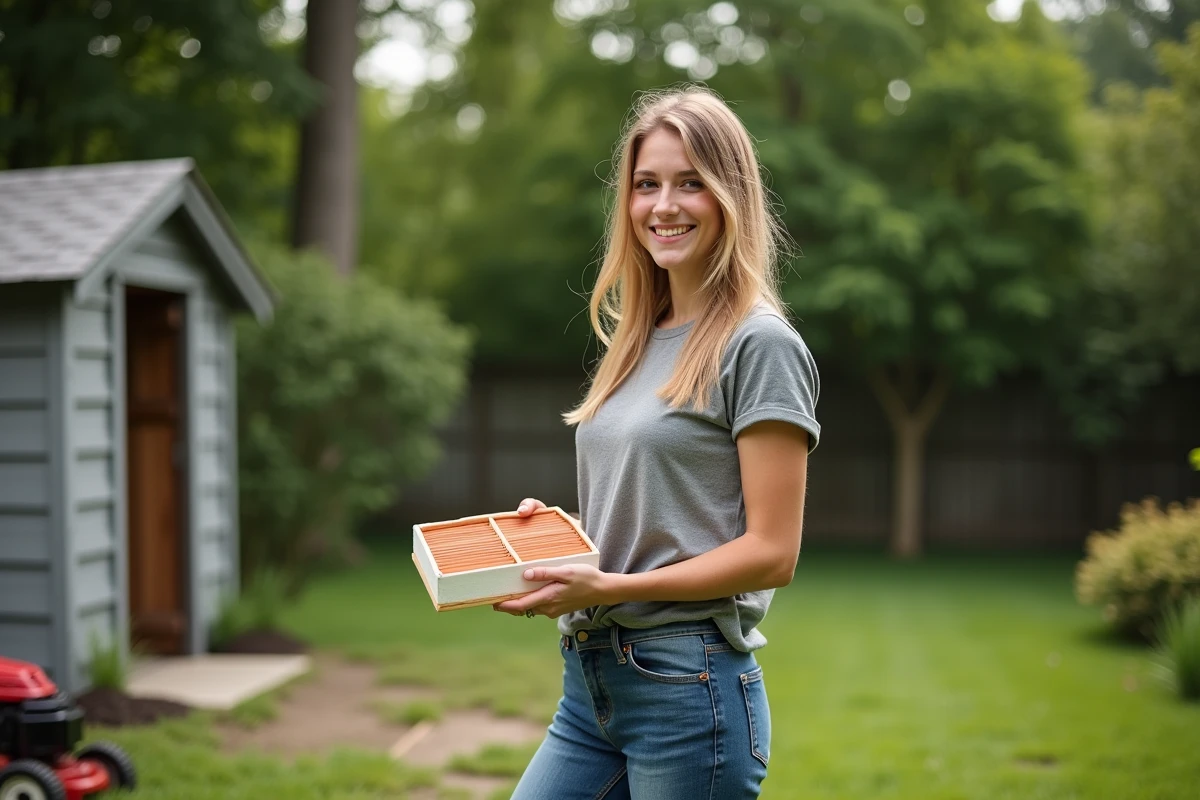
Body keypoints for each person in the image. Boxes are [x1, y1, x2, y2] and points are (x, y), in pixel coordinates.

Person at [493, 85, 821, 800]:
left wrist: (613, 586)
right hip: (590, 681)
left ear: (731, 197)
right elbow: (660, 514)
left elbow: (773, 552)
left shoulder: (758, 345)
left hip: (687, 687)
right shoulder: (638, 337)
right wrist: (563, 542)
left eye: (690, 184)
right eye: (647, 184)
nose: (663, 205)